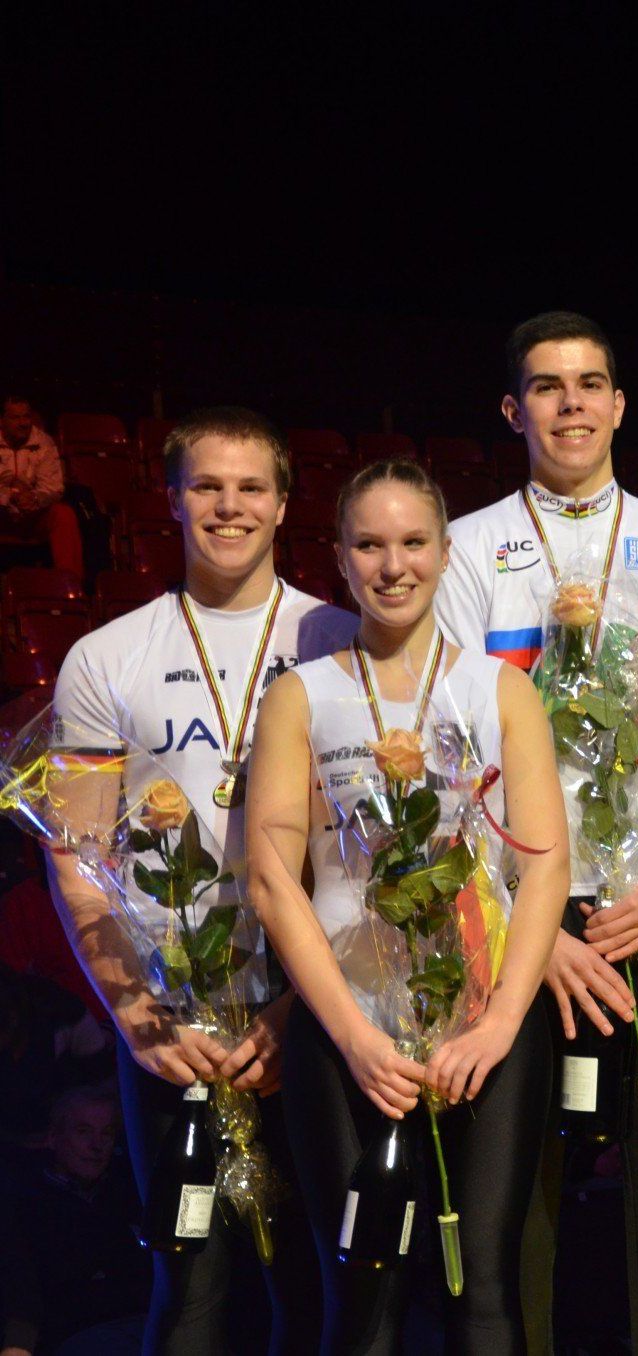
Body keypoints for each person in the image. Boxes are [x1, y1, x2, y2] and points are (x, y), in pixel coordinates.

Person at [435, 312, 638, 1353]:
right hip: (520, 915)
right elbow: (450, 756)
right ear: (513, 410)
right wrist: (527, 920)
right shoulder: (466, 551)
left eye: (590, 383)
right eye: (548, 386)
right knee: (521, 1181)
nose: (571, 404)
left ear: (618, 404)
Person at [49, 405, 357, 1355]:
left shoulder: (340, 636)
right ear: (174, 499)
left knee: (321, 1290)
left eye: (251, 486)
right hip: (173, 1023)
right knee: (190, 1287)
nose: (230, 506)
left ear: (284, 502)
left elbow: (376, 856)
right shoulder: (105, 657)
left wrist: (299, 1010)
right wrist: (138, 1012)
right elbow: (76, 853)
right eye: (208, 486)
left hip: (317, 1012)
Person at [246, 459, 567, 1353]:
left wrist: (500, 1023)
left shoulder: (501, 689)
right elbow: (275, 879)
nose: (394, 565)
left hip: (483, 1026)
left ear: (444, 550)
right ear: (341, 558)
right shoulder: (302, 695)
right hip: (348, 1032)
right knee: (363, 1285)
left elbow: (541, 868)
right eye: (370, 545)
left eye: (413, 542)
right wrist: (353, 1037)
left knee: (486, 1284)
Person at [0, 1083, 150, 1356]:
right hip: (79, 1335)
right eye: (83, 1132)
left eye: (106, 1133)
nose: (97, 1145)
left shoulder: (127, 1189)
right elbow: (23, 1295)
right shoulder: (27, 1203)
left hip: (144, 1324)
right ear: (54, 1137)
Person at [0, 394, 83, 576]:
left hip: (32, 514)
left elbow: (53, 487)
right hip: (2, 513)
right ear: (2, 420)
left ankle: (71, 586)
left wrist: (34, 498)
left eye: (26, 416)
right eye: (16, 417)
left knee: (63, 515)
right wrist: (10, 497)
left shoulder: (43, 443)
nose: (23, 423)